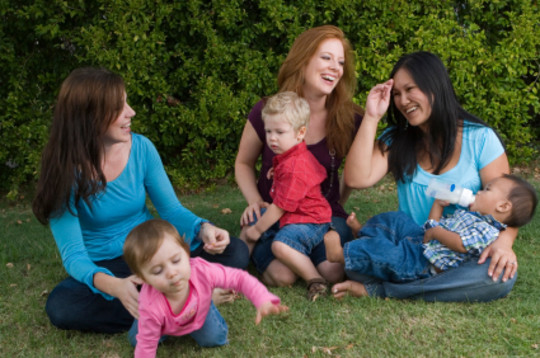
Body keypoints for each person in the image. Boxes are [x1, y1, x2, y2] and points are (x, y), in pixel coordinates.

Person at [32, 67, 249, 333]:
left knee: (235, 251)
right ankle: (190, 301)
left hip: (152, 250)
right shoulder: (63, 171)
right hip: (108, 266)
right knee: (62, 307)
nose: (131, 112)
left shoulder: (142, 148)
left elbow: (170, 209)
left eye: (127, 102)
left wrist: (204, 228)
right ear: (89, 117)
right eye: (119, 107)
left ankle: (160, 308)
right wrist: (116, 287)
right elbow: (74, 255)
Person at [335, 51, 522, 302]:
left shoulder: (480, 139)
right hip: (409, 245)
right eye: (397, 94)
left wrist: (505, 243)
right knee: (356, 265)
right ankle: (425, 282)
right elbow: (356, 178)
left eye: (410, 89)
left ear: (433, 86)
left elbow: (506, 204)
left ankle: (386, 289)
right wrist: (371, 116)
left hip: (458, 255)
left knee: (499, 278)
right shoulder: (396, 140)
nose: (402, 101)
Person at [235, 25, 363, 287]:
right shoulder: (270, 110)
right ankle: (255, 254)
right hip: (274, 212)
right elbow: (243, 163)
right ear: (303, 60)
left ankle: (312, 252)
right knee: (283, 276)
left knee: (332, 272)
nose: (335, 67)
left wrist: (336, 199)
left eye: (340, 62)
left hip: (320, 215)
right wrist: (254, 201)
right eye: (326, 57)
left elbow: (358, 170)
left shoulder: (349, 117)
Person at [324, 175, 537, 290]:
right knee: (397, 219)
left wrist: (436, 233)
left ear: (502, 207)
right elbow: (432, 225)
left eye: (487, 189)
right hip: (420, 242)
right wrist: (438, 204)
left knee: (389, 255)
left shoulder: (488, 231)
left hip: (422, 262)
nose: (479, 191)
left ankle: (341, 254)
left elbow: (461, 244)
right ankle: (364, 231)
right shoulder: (470, 216)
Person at [123, 219, 288, 356]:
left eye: (176, 261)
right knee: (137, 340)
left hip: (198, 310)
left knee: (215, 339)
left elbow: (239, 278)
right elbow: (146, 346)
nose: (172, 273)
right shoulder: (150, 304)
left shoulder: (201, 270)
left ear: (186, 252)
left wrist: (262, 298)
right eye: (158, 271)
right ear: (143, 279)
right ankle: (161, 327)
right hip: (161, 319)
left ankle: (207, 300)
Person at [241, 91, 332, 301]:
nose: (272, 138)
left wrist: (257, 230)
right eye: (268, 131)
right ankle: (236, 266)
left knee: (279, 244)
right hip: (296, 216)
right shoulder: (291, 155)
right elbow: (300, 172)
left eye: (279, 132)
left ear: (300, 133)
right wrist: (277, 173)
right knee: (254, 218)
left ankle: (315, 280)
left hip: (308, 220)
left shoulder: (295, 167)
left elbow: (280, 206)